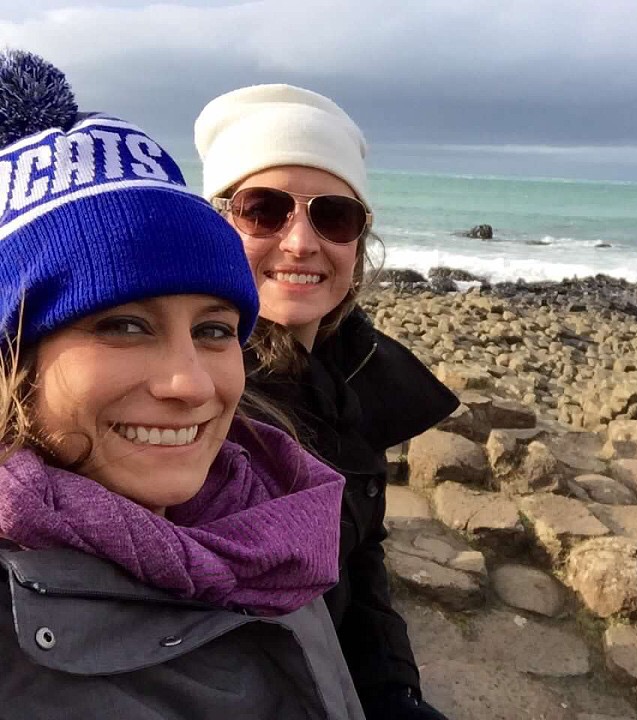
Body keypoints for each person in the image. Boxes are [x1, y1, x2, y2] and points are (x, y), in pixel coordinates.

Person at [0, 50, 364, 719]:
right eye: (125, 325)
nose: (189, 384)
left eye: (215, 330)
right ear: (14, 361)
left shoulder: (270, 508)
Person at [195, 85, 459, 719]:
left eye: (334, 215)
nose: (300, 242)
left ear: (358, 244)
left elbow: (362, 553)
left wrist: (394, 689)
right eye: (265, 210)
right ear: (218, 224)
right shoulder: (195, 395)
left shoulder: (357, 374)